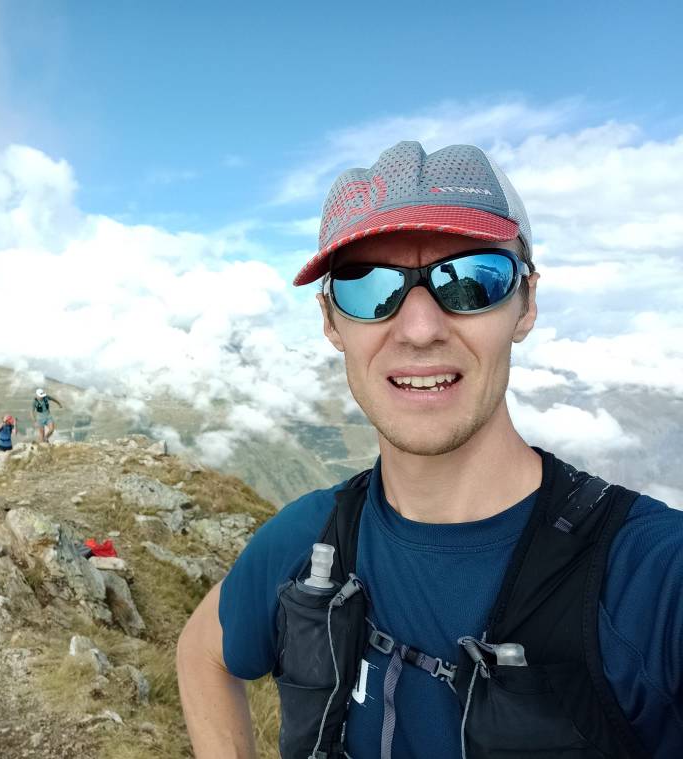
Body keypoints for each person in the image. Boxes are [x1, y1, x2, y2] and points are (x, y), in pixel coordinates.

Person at [176, 141, 683, 758]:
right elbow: (202, 652)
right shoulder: (310, 536)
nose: (419, 329)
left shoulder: (654, 580)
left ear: (525, 304)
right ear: (331, 321)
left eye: (471, 280)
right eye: (368, 286)